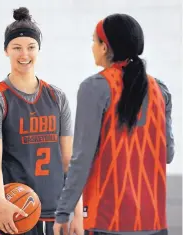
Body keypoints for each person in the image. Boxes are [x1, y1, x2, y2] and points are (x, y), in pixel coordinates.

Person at [53, 13, 174, 235]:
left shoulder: (95, 87)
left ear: (105, 47)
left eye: (94, 41)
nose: (92, 47)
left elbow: (82, 158)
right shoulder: (161, 90)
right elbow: (167, 155)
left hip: (106, 220)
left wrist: (63, 212)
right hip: (154, 222)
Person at [0, 7, 83, 235]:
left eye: (31, 47)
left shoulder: (57, 97)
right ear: (6, 50)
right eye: (16, 47)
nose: (24, 54)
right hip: (12, 212)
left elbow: (69, 161)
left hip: (54, 214)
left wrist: (78, 210)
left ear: (38, 50)